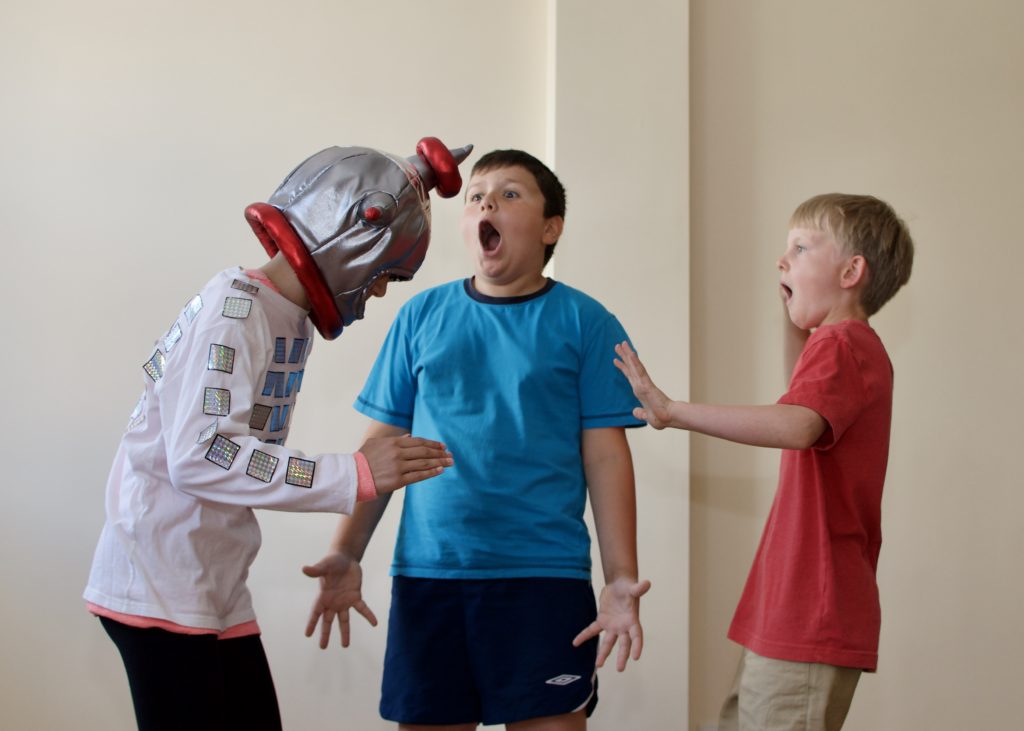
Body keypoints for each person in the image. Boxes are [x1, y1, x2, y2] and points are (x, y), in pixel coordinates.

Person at [83, 138, 471, 731]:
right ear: (352, 237)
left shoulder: (278, 314)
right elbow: (202, 456)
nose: (381, 291)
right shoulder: (234, 313)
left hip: (210, 583)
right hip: (159, 583)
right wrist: (355, 473)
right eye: (384, 274)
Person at [303, 149, 652, 730]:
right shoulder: (420, 317)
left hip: (544, 580)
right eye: (476, 195)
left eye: (511, 193)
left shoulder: (587, 323)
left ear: (550, 228)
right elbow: (383, 450)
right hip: (430, 576)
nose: (487, 201)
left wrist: (620, 580)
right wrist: (345, 551)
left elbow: (607, 458)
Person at [613, 193, 914, 731]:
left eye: (799, 247)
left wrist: (672, 410)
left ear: (851, 271)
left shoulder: (844, 346)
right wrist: (793, 319)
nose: (782, 260)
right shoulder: (842, 347)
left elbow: (797, 423)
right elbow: (801, 398)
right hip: (797, 606)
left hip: (811, 607)